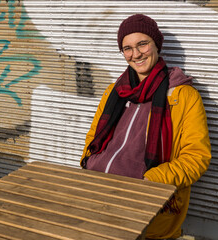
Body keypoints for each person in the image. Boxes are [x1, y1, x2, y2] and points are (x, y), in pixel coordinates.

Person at [80, 14, 211, 239]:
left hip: (145, 203)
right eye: (127, 48)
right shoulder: (114, 91)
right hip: (97, 196)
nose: (136, 54)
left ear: (156, 44)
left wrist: (151, 180)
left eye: (142, 44)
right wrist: (88, 162)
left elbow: (197, 157)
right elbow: (94, 137)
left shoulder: (183, 96)